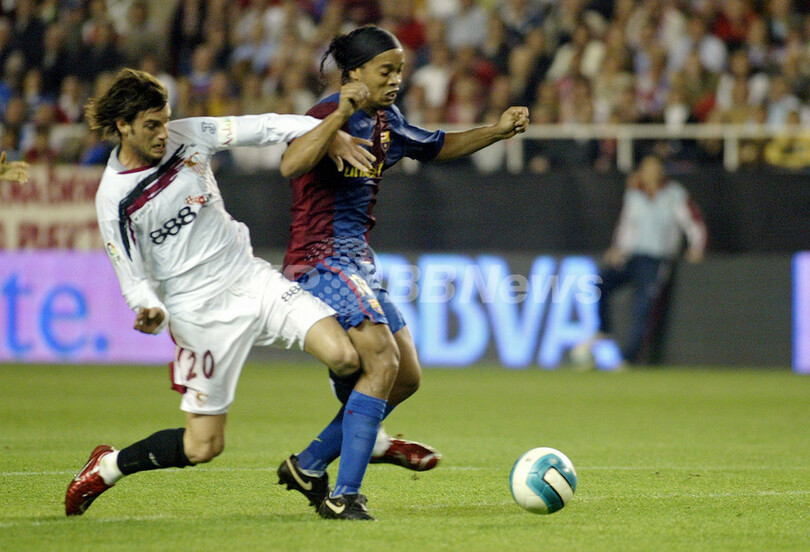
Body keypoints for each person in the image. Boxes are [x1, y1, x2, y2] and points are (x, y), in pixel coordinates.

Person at [64, 68, 380, 516]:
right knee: (203, 446)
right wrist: (148, 307)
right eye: (152, 125)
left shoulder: (189, 136)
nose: (163, 133)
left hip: (251, 279)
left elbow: (264, 126)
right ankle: (108, 466)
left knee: (346, 356)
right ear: (123, 126)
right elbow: (130, 274)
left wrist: (329, 129)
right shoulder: (113, 197)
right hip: (198, 314)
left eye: (165, 120)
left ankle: (355, 438)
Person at [275, 26, 529, 520]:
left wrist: (496, 131)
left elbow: (436, 145)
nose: (395, 80)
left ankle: (308, 465)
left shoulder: (386, 120)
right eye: (385, 71)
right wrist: (338, 120)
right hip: (320, 259)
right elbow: (291, 163)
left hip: (357, 262)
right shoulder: (323, 116)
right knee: (381, 361)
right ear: (354, 73)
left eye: (399, 71)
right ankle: (344, 496)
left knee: (406, 375)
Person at [594, 155, 706, 365]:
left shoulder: (674, 195)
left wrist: (697, 247)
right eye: (647, 169)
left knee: (643, 307)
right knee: (600, 283)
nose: (651, 173)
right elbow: (627, 225)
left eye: (654, 168)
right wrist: (618, 249)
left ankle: (629, 358)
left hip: (656, 259)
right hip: (633, 256)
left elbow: (693, 222)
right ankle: (604, 330)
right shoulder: (634, 194)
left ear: (661, 172)